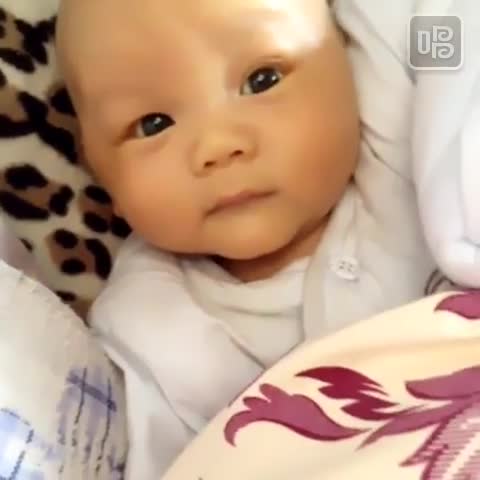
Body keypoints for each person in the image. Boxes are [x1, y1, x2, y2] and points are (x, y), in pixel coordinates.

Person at [55, 0, 434, 476]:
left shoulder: (405, 157)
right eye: (154, 124)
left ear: (348, 60)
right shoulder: (148, 329)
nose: (217, 145)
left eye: (262, 80)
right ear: (100, 175)